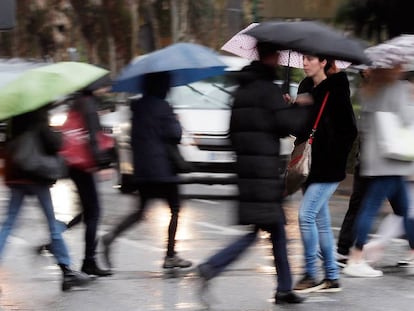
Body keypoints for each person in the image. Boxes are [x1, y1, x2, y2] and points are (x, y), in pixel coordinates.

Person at [197, 42, 308, 306]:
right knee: (260, 230)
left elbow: (232, 134)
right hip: (264, 172)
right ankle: (212, 266)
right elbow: (286, 126)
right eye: (278, 56)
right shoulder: (268, 90)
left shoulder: (242, 89)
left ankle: (283, 288)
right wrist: (299, 106)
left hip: (248, 171)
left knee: (276, 228)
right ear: (272, 57)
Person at [101, 71, 192, 270]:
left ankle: (111, 236)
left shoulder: (138, 108)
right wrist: (175, 119)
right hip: (164, 169)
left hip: (143, 169)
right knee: (175, 209)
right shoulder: (164, 107)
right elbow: (175, 134)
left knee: (140, 211)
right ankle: (170, 255)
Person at [0, 107, 90, 291]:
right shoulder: (38, 112)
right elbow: (54, 142)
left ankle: (67, 271)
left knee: (9, 224)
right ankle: (66, 270)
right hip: (36, 175)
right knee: (51, 224)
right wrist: (54, 130)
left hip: (16, 174)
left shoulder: (14, 116)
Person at [293, 55, 357, 293]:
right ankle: (331, 276)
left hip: (329, 167)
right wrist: (291, 109)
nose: (304, 63)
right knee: (320, 221)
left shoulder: (337, 89)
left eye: (309, 59)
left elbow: (349, 131)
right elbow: (298, 130)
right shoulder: (305, 87)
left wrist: (332, 153)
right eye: (303, 59)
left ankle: (310, 273)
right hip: (309, 166)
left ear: (323, 62)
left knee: (306, 216)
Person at [343, 63, 414, 277]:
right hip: (391, 161)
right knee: (371, 207)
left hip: (376, 159)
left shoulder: (370, 88)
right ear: (394, 67)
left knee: (404, 210)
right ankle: (356, 258)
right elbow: (407, 120)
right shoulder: (397, 88)